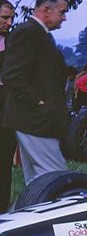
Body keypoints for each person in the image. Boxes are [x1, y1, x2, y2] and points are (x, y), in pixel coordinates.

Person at [1, 0, 68, 185]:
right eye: (62, 12)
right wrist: (37, 103)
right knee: (56, 181)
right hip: (35, 121)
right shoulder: (27, 32)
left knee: (37, 184)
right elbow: (11, 75)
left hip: (35, 121)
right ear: (46, 10)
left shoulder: (40, 34)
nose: (64, 18)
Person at [0, 0, 14, 212]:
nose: (9, 22)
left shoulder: (13, 42)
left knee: (4, 161)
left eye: (11, 18)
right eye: (4, 18)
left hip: (8, 105)